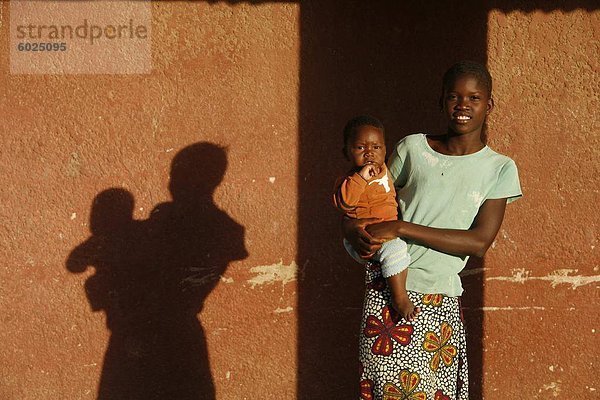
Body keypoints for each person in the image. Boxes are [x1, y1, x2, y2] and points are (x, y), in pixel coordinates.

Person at [345, 61, 522, 399]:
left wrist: (402, 227)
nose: (463, 106)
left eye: (474, 98)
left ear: (489, 104)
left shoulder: (499, 169)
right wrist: (351, 227)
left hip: (441, 299)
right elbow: (365, 202)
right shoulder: (413, 149)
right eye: (454, 97)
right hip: (390, 294)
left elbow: (479, 242)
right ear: (441, 101)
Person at [333, 115, 418, 321]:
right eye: (360, 148)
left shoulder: (385, 171)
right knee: (396, 249)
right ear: (346, 152)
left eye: (376, 147)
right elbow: (344, 203)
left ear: (385, 150)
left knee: (399, 250)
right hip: (364, 237)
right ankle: (400, 298)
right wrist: (361, 178)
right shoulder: (348, 180)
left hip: (385, 233)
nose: (369, 153)